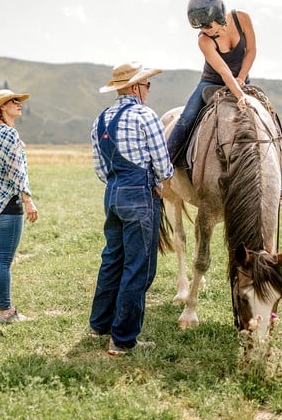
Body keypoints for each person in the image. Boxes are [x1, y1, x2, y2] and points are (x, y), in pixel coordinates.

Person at [89, 61, 174, 355]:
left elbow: (101, 169)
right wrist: (164, 180)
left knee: (112, 259)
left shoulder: (100, 120)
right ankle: (123, 339)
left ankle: (100, 324)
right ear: (136, 87)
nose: (148, 90)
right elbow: (163, 164)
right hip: (140, 196)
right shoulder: (145, 115)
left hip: (112, 195)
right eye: (147, 85)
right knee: (139, 266)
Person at [166, 0, 256, 168]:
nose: (205, 30)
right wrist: (240, 96)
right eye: (200, 27)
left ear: (219, 14)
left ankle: (275, 176)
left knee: (267, 117)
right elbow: (223, 71)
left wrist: (241, 79)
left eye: (207, 25)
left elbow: (252, 51)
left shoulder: (242, 18)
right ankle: (163, 170)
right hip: (211, 82)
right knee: (186, 119)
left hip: (242, 80)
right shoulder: (204, 40)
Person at [0, 89, 39, 323]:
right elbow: (18, 171)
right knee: (4, 261)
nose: (19, 104)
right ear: (2, 108)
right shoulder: (11, 135)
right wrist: (28, 199)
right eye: (14, 101)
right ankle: (6, 312)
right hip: (10, 206)